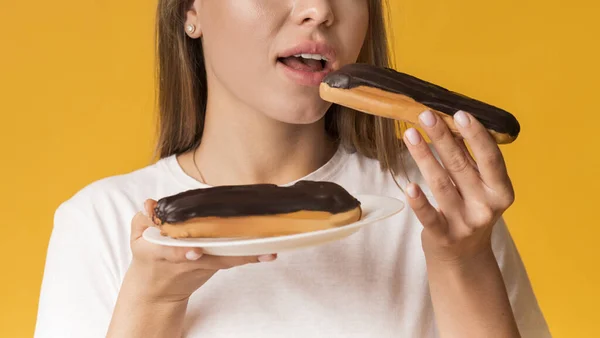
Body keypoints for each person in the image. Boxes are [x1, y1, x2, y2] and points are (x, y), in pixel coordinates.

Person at [34, 0, 551, 337]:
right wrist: (151, 301)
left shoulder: (439, 203)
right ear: (191, 10)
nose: (318, 10)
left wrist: (463, 262)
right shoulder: (99, 223)